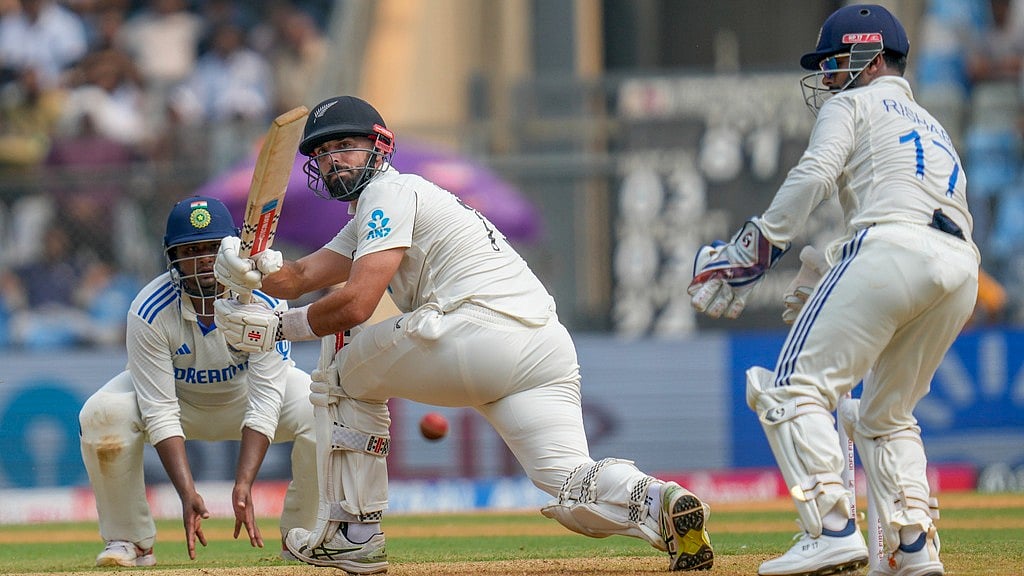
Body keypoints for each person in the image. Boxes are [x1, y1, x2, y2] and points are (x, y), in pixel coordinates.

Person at [211, 95, 714, 574]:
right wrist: (250, 269)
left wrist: (280, 325)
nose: (332, 160)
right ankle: (658, 499)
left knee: (341, 370)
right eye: (322, 153)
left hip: (476, 330)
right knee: (567, 481)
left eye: (344, 146)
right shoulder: (385, 205)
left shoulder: (388, 193)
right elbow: (299, 278)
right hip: (543, 346)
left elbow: (356, 303)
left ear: (380, 146)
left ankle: (354, 536)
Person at [687, 5, 979, 576]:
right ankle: (913, 548)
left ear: (868, 57)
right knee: (887, 416)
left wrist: (758, 247)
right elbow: (906, 217)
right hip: (959, 268)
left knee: (790, 389)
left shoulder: (853, 102)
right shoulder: (929, 121)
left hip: (891, 250)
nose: (826, 78)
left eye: (834, 62)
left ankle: (832, 528)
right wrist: (824, 269)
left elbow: (818, 174)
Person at [78, 196, 317, 567]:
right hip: (180, 403)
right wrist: (186, 492)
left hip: (246, 399)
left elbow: (267, 398)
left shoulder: (266, 300)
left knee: (321, 407)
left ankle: (303, 536)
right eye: (190, 250)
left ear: (234, 249)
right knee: (101, 414)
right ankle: (130, 540)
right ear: (172, 258)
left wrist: (243, 483)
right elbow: (158, 409)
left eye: (213, 247)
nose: (204, 258)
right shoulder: (149, 310)